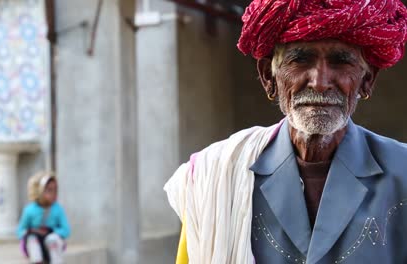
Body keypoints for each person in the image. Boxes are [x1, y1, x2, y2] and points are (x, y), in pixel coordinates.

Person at [164, 0, 407, 263]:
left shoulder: (402, 173)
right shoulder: (213, 176)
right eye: (300, 59)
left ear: (367, 80)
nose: (320, 82)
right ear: (269, 78)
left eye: (340, 61)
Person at [17, 171, 70, 264]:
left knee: (52, 239)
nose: (54, 194)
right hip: (35, 242)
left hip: (51, 242)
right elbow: (20, 230)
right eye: (49, 190)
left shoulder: (57, 209)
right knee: (32, 239)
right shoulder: (29, 210)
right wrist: (30, 232)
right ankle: (37, 261)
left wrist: (51, 231)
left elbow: (66, 230)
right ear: (39, 191)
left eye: (55, 190)